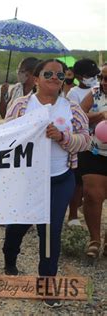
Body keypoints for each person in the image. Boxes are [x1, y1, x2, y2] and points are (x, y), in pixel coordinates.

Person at [2, 59, 90, 308]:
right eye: (48, 73)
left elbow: (85, 141)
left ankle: (47, 285)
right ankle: (9, 257)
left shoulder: (71, 109)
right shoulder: (21, 105)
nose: (54, 77)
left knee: (50, 232)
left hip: (59, 180)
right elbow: (6, 137)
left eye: (60, 75)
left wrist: (62, 137)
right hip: (26, 180)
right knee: (18, 226)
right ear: (36, 78)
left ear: (64, 80)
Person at [66, 59, 100, 227]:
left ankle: (83, 207)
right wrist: (100, 115)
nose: (94, 78)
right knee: (79, 181)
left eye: (96, 75)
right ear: (79, 77)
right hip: (84, 142)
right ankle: (72, 215)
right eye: (90, 76)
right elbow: (76, 118)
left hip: (101, 144)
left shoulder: (100, 90)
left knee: (94, 184)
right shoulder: (74, 93)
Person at [78, 63, 107, 259]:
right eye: (102, 77)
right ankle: (94, 240)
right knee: (92, 195)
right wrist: (100, 115)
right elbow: (78, 117)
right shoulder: (95, 93)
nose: (104, 82)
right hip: (94, 152)